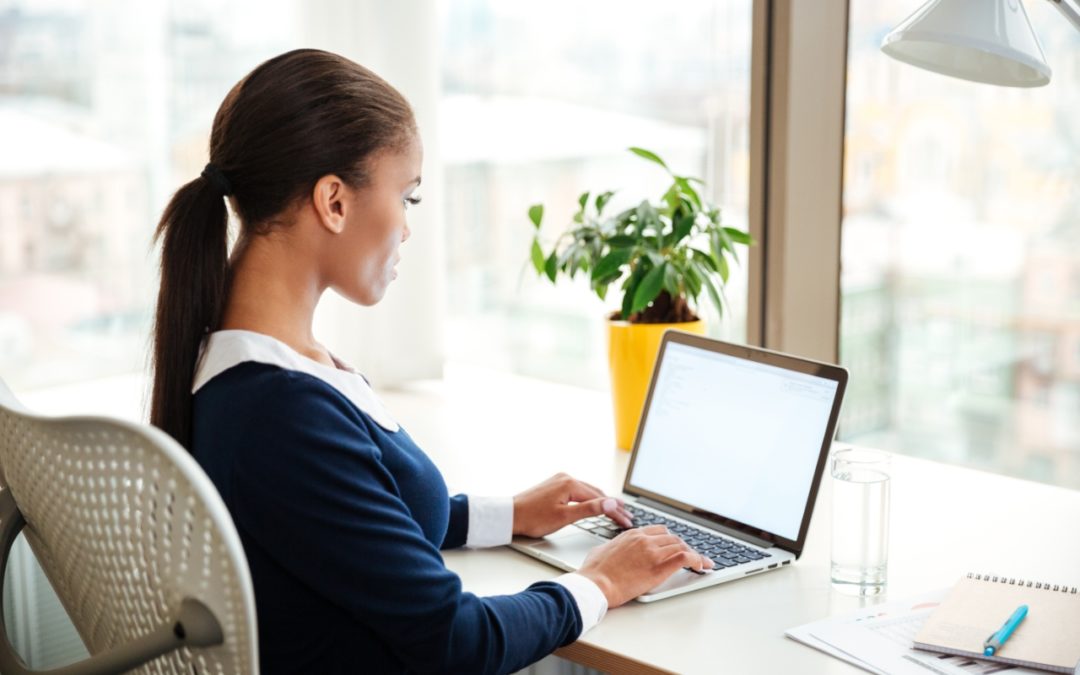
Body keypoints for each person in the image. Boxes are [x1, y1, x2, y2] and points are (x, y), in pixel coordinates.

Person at [149, 48, 711, 674]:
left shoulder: (246, 360)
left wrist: (505, 515)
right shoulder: (282, 413)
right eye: (408, 197)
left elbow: (353, 529)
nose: (408, 229)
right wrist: (600, 582)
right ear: (334, 202)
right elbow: (458, 641)